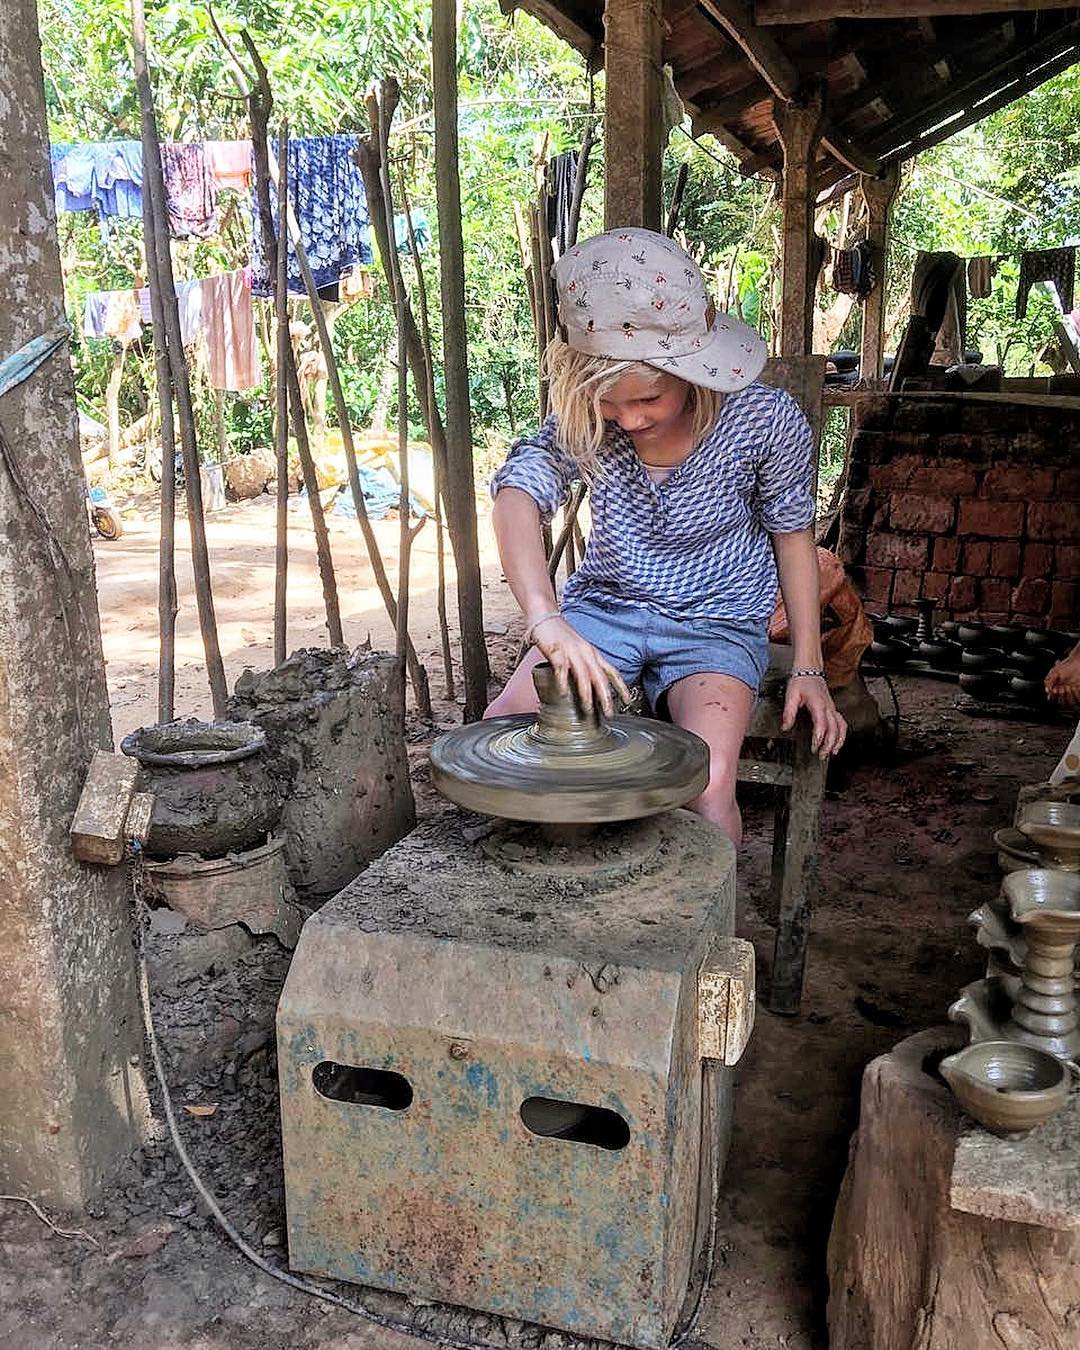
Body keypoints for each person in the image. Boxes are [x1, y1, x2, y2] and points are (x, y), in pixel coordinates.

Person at [486, 227, 847, 844]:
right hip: (605, 612)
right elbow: (519, 493)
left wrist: (809, 667)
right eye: (609, 405)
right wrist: (546, 618)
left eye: (649, 398)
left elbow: (793, 539)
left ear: (693, 371)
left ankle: (711, 939)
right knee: (506, 736)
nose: (629, 419)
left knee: (704, 785)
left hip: (718, 623)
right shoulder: (585, 420)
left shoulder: (763, 420)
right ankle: (546, 917)